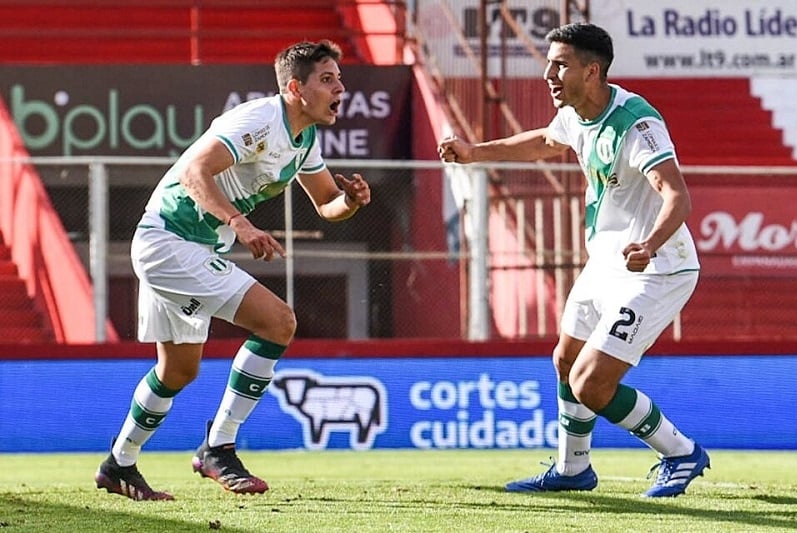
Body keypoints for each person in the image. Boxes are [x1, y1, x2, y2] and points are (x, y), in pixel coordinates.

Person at [438, 22, 709, 498]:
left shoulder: (636, 123)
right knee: (566, 360)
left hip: (656, 268)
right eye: (549, 63)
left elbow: (677, 196)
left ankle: (680, 452)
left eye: (560, 65)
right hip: (606, 261)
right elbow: (546, 141)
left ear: (592, 71)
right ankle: (572, 469)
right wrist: (473, 153)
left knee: (590, 384)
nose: (548, 74)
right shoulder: (574, 113)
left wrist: (649, 245)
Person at [95, 40, 371, 501]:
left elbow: (327, 204)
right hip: (170, 241)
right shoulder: (259, 120)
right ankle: (218, 447)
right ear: (295, 88)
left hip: (185, 247)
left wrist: (352, 201)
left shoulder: (304, 139)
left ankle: (118, 464)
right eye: (327, 80)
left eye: (339, 79)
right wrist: (240, 224)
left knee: (177, 371)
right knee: (278, 322)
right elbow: (194, 172)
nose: (339, 88)